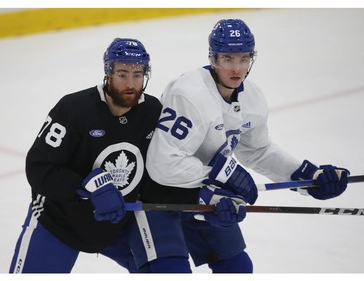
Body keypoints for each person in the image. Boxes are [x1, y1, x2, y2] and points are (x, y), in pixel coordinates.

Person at [127, 19, 350, 273]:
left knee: (237, 267)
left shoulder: (252, 98)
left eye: (243, 59)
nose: (236, 69)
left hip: (208, 196)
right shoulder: (190, 93)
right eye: (228, 59)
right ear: (212, 58)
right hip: (158, 197)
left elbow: (258, 150)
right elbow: (162, 164)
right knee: (171, 272)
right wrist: (222, 176)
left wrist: (307, 176)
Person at [9, 37, 162, 273]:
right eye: (122, 74)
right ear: (108, 74)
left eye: (137, 74)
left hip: (118, 223)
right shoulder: (74, 109)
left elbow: (163, 168)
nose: (131, 83)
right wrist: (83, 186)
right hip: (59, 223)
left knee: (164, 268)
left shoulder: (153, 112)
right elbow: (40, 167)